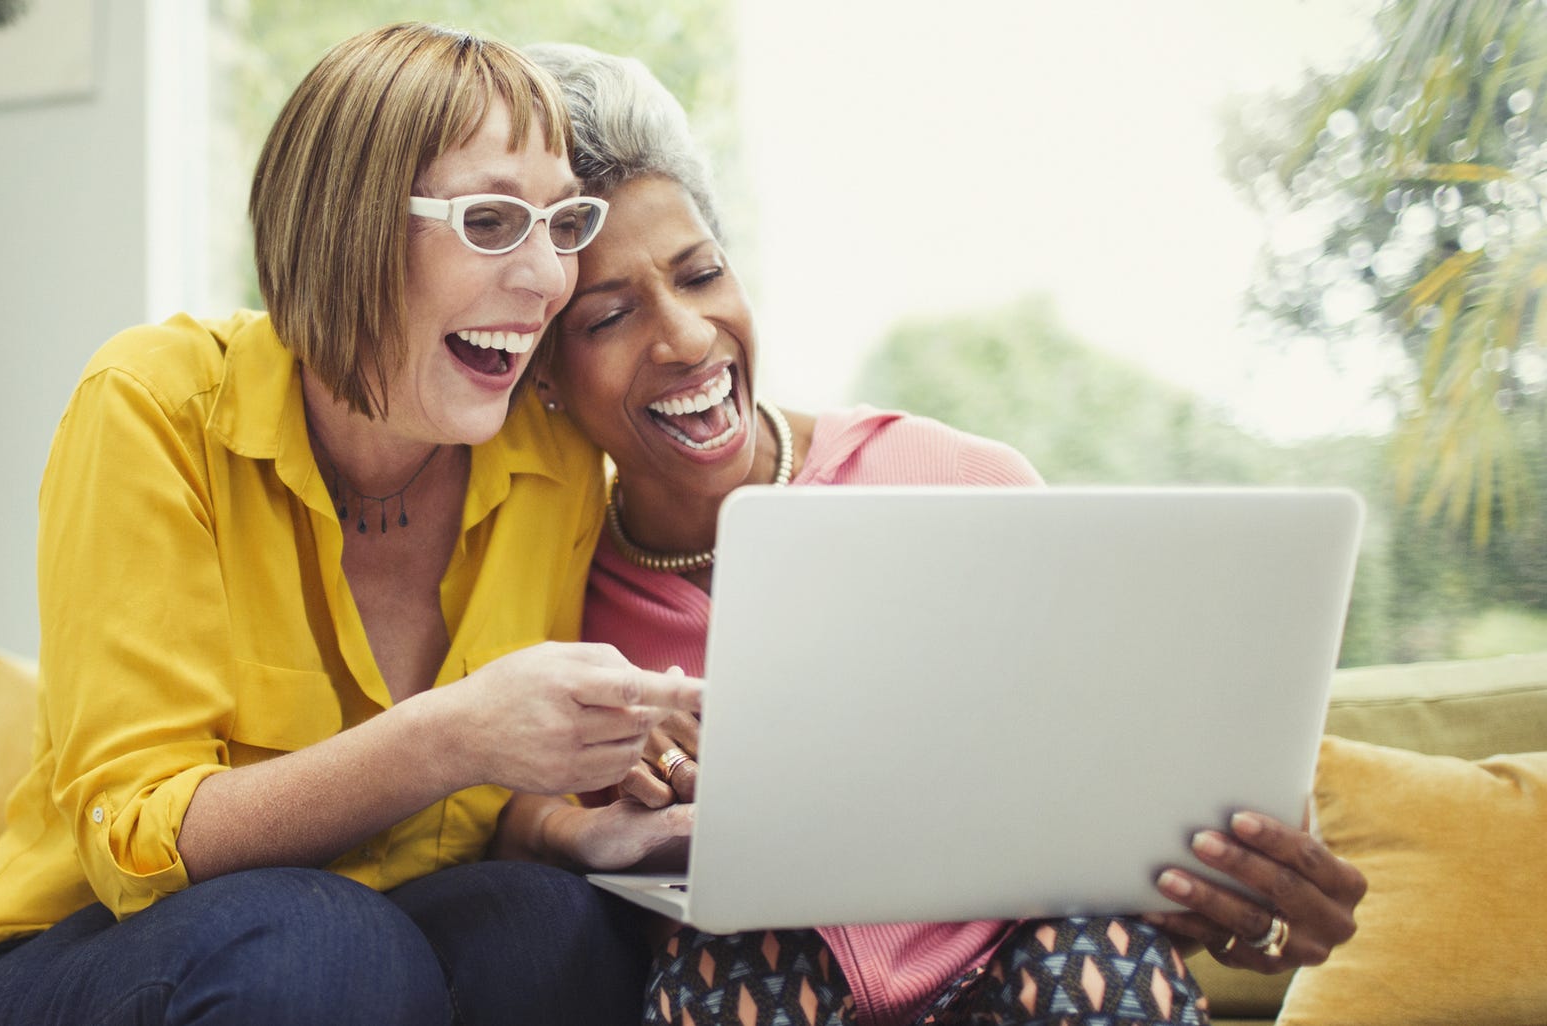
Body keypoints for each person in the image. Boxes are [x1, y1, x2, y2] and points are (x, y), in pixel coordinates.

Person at [524, 42, 1369, 1026]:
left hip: (1044, 967)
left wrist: (1245, 882)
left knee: (1097, 958)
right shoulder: (552, 576)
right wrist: (602, 811)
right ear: (540, 372)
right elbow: (504, 830)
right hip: (762, 987)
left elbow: (1126, 752)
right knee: (724, 970)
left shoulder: (960, 480)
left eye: (701, 274)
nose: (684, 338)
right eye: (609, 316)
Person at [0, 24, 705, 1026]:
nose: (545, 279)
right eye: (487, 222)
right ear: (345, 226)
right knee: (321, 943)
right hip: (84, 954)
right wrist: (451, 732)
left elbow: (475, 820)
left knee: (549, 925)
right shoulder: (153, 404)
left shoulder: (550, 459)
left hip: (370, 943)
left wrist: (573, 830)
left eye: (560, 226)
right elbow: (136, 842)